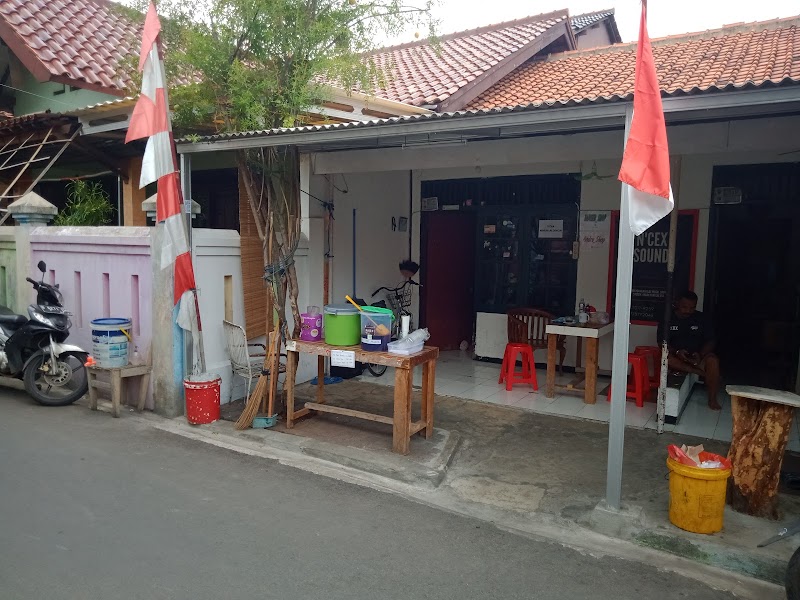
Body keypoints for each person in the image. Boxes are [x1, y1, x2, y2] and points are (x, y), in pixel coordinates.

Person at [657, 290, 722, 410]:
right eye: (684, 307)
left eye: (692, 307)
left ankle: (712, 399)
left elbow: (711, 340)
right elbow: (661, 342)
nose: (688, 310)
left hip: (698, 356)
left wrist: (700, 354)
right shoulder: (667, 318)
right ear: (677, 303)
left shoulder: (702, 318)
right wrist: (677, 352)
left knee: (713, 360)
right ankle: (699, 372)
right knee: (665, 356)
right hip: (676, 357)